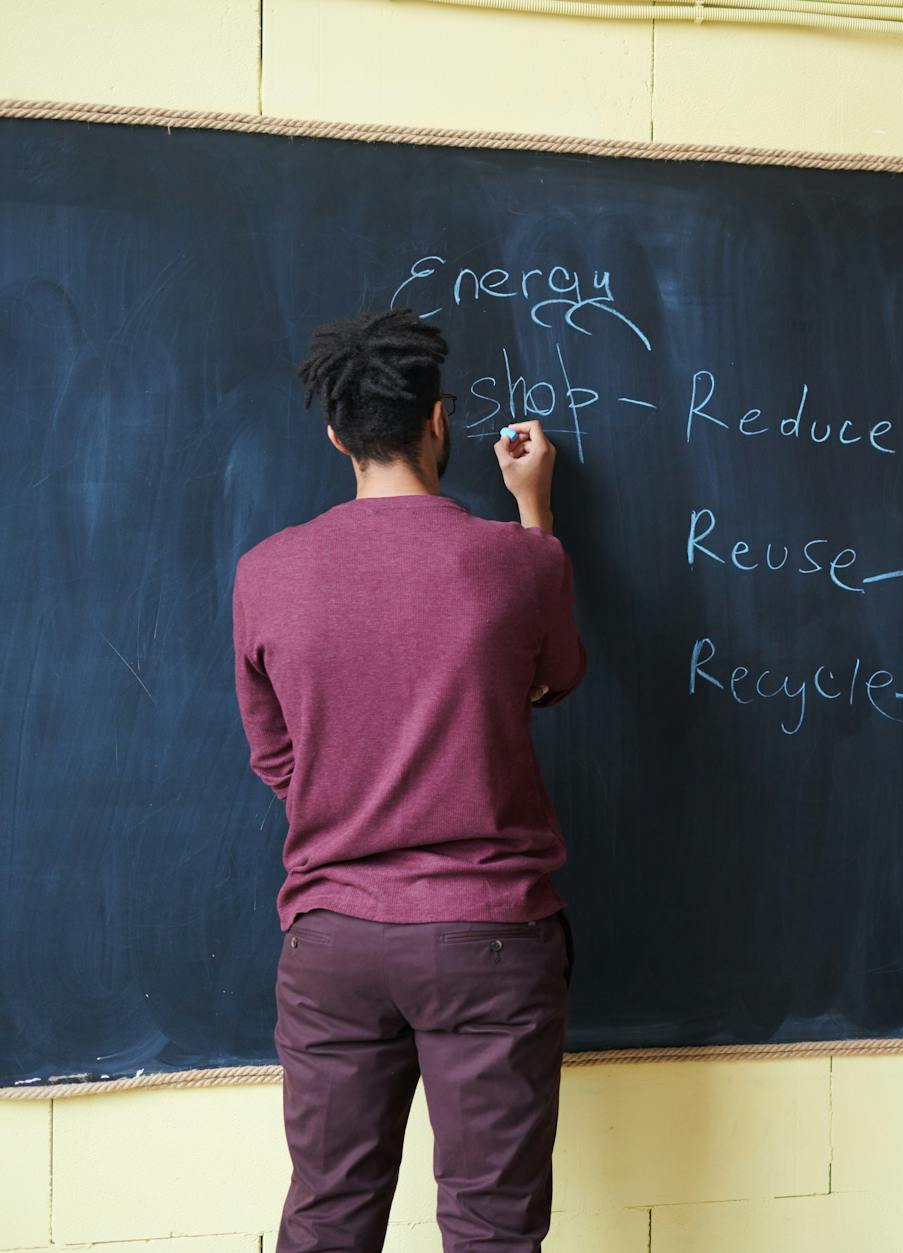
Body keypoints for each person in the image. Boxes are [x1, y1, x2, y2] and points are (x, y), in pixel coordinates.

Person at [233, 310, 587, 1252]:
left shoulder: (265, 572)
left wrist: (355, 805)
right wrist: (534, 507)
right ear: (440, 423)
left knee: (328, 1215)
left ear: (337, 434)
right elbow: (553, 675)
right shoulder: (522, 563)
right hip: (490, 937)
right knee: (491, 1227)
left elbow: (276, 757)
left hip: (333, 938)